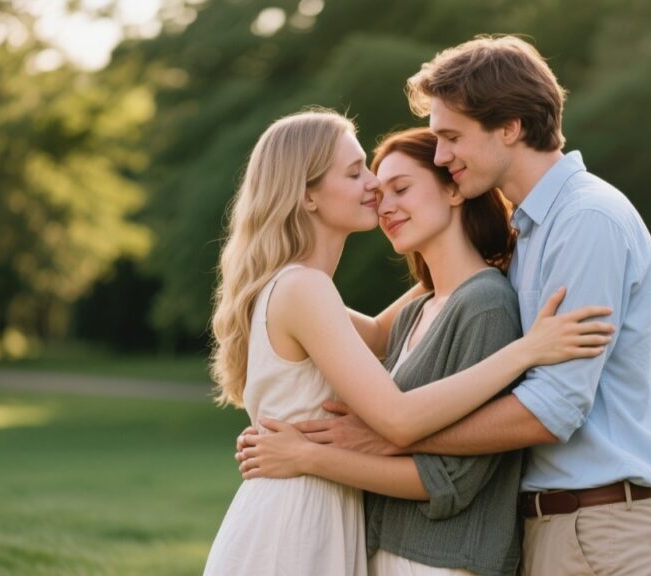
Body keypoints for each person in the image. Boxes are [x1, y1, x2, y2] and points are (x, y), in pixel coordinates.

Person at [262, 37, 651, 576]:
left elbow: (550, 410)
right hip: (552, 522)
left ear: (509, 126)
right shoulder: (527, 233)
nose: (441, 156)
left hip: (598, 523)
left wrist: (391, 435)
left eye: (451, 137)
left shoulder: (586, 221)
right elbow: (374, 332)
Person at [202, 109, 615, 575]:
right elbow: (398, 419)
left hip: (308, 508)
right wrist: (528, 350)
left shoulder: (294, 287)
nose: (375, 186)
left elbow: (382, 332)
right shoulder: (305, 289)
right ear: (308, 196)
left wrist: (482, 247)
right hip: (298, 516)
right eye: (356, 172)